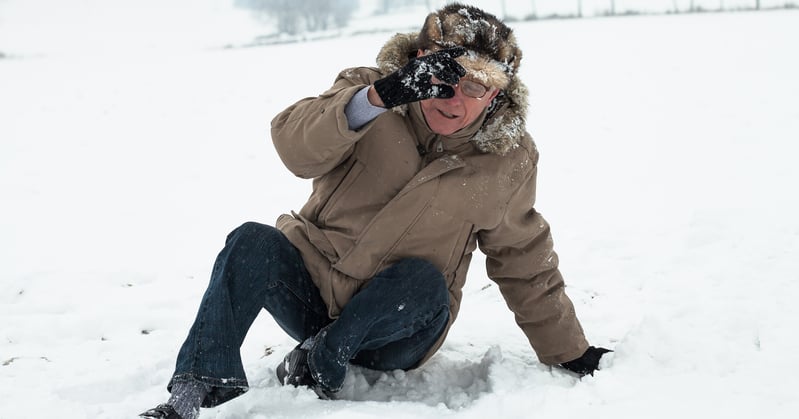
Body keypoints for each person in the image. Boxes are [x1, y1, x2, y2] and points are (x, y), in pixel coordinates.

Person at [140, 3, 611, 418]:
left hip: (400, 327)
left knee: (422, 280)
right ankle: (191, 392)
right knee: (250, 241)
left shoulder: (508, 158)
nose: (454, 99)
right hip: (313, 293)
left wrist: (569, 350)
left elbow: (522, 257)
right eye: (443, 78)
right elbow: (293, 148)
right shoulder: (366, 93)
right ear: (418, 62)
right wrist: (378, 98)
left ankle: (319, 359)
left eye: (475, 87)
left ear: (496, 94)